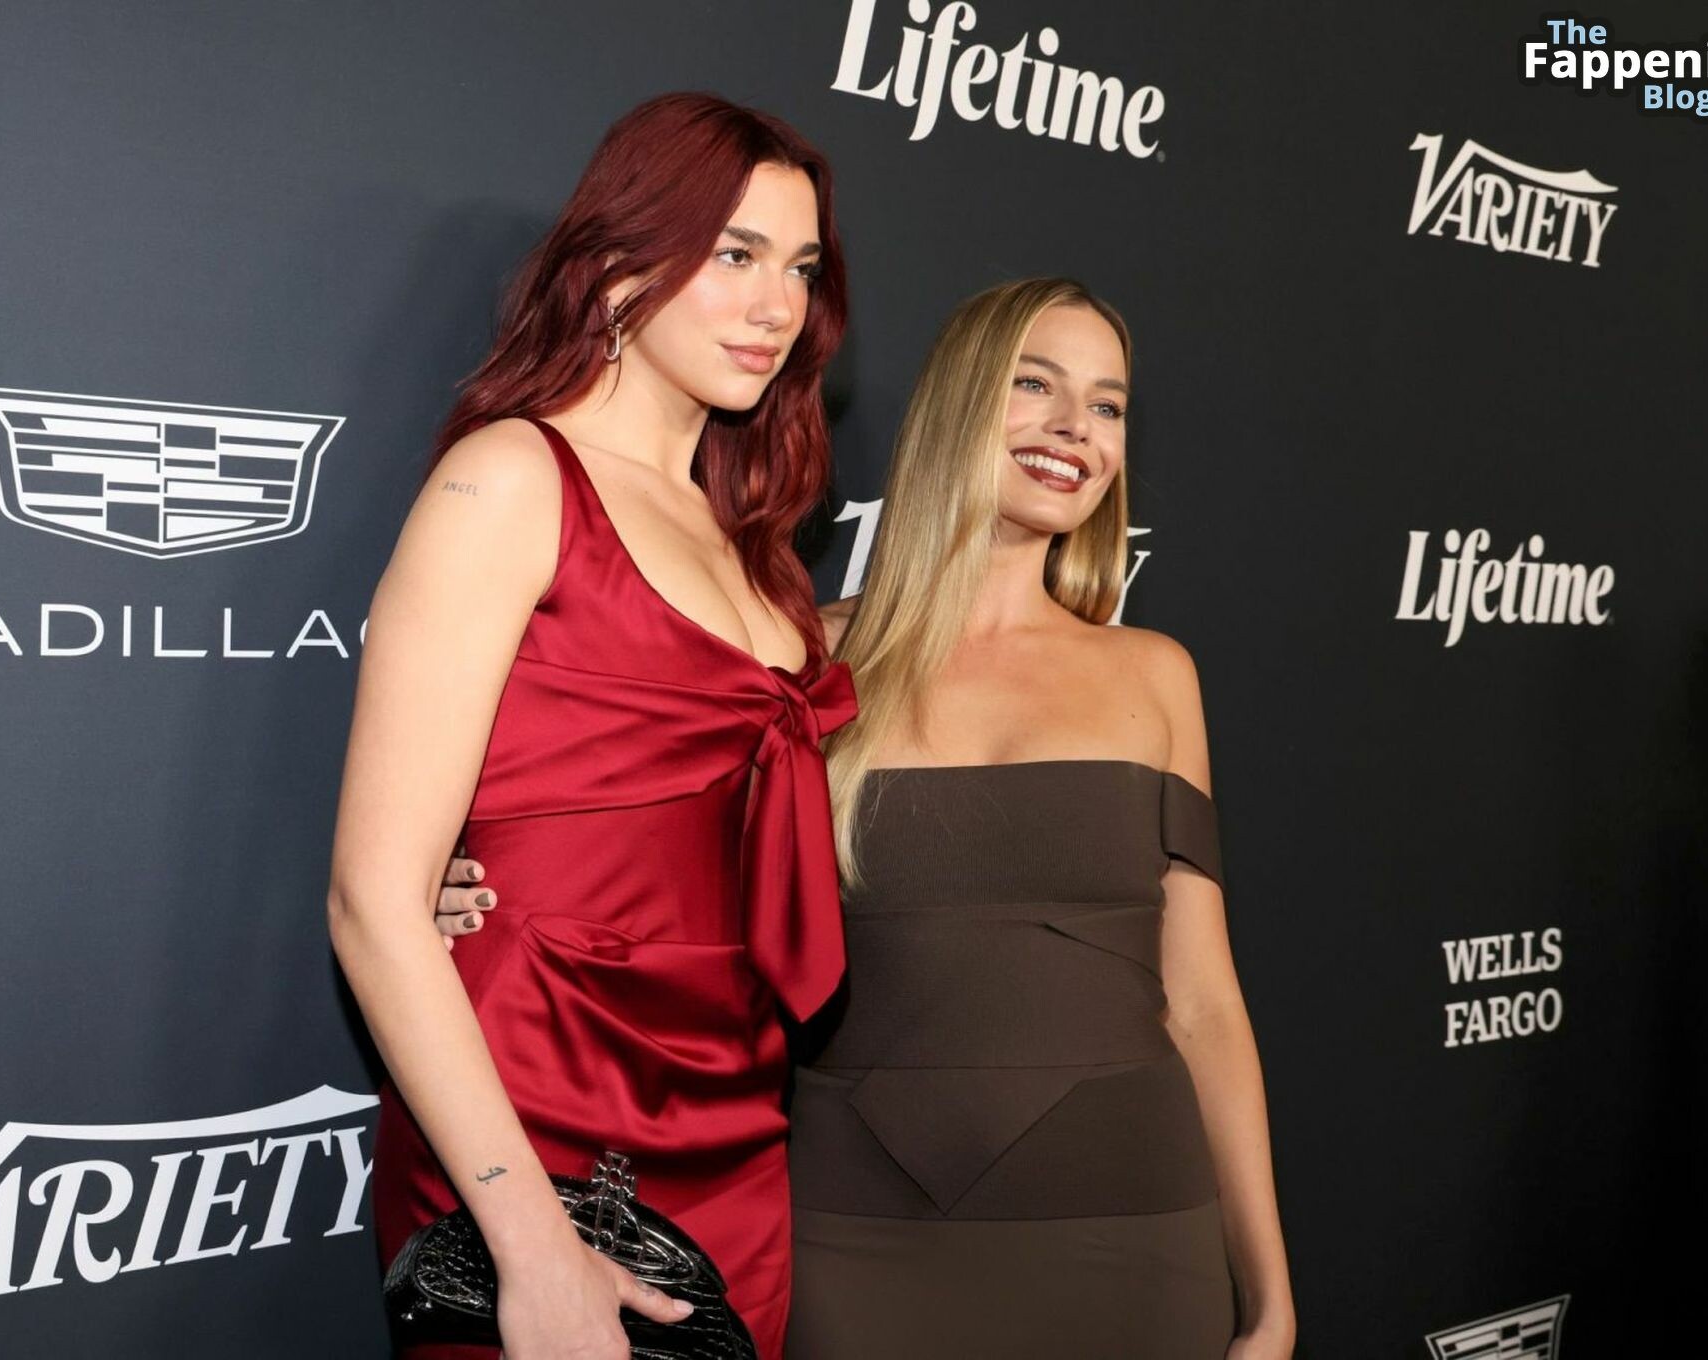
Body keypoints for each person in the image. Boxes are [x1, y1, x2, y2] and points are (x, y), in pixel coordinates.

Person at [438, 278, 1296, 1357]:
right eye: (1035, 385)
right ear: (958, 403)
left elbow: (1205, 1002)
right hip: (853, 1232)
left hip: (1132, 1227)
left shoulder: (1157, 675)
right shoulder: (799, 653)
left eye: (1109, 404)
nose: (1078, 426)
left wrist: (1269, 1294)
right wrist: (478, 886)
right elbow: (658, 853)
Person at [327, 91, 854, 1360]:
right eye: (733, 254)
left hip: (735, 1107)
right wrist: (528, 1245)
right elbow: (375, 901)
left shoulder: (753, 541)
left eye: (800, 267)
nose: (776, 306)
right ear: (620, 265)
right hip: (530, 1101)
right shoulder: (512, 477)